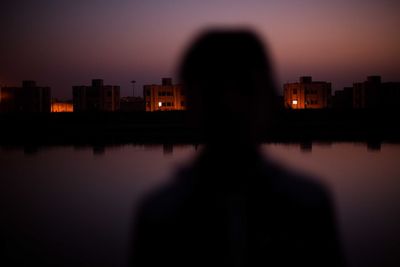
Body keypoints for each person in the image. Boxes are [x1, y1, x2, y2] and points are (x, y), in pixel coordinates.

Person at [131, 29, 344, 266]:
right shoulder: (159, 216)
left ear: (268, 100)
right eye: (213, 91)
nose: (229, 106)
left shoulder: (309, 207)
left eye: (244, 88)